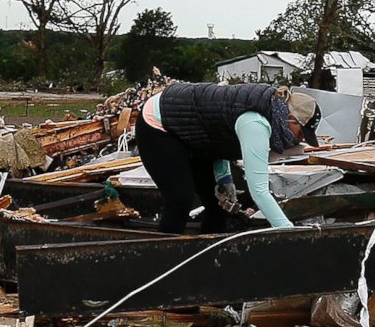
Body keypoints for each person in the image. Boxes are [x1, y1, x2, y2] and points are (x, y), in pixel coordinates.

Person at [130, 81, 320, 231]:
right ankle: (165, 258)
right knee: (180, 198)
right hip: (159, 123)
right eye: (301, 132)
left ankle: (207, 259)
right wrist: (288, 231)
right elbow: (259, 192)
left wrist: (224, 179)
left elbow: (219, 137)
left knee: (218, 206)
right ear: (292, 118)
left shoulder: (270, 112)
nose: (300, 139)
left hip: (195, 134)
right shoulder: (256, 122)